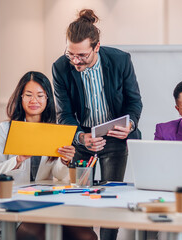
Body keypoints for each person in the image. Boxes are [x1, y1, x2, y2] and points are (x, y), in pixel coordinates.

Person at [52, 9, 142, 240]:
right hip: (81, 139)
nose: (75, 60)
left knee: (111, 200)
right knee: (79, 199)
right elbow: (64, 114)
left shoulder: (120, 60)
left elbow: (134, 102)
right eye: (71, 54)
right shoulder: (60, 67)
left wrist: (129, 125)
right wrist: (81, 138)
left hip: (115, 138)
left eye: (82, 55)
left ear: (97, 46)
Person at [0, 71, 97, 240]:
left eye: (40, 95)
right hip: (10, 210)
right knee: (43, 235)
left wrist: (65, 161)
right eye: (28, 95)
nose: (34, 100)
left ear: (47, 99)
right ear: (20, 98)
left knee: (87, 236)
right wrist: (17, 159)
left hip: (46, 208)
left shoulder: (54, 130)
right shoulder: (6, 129)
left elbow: (59, 176)